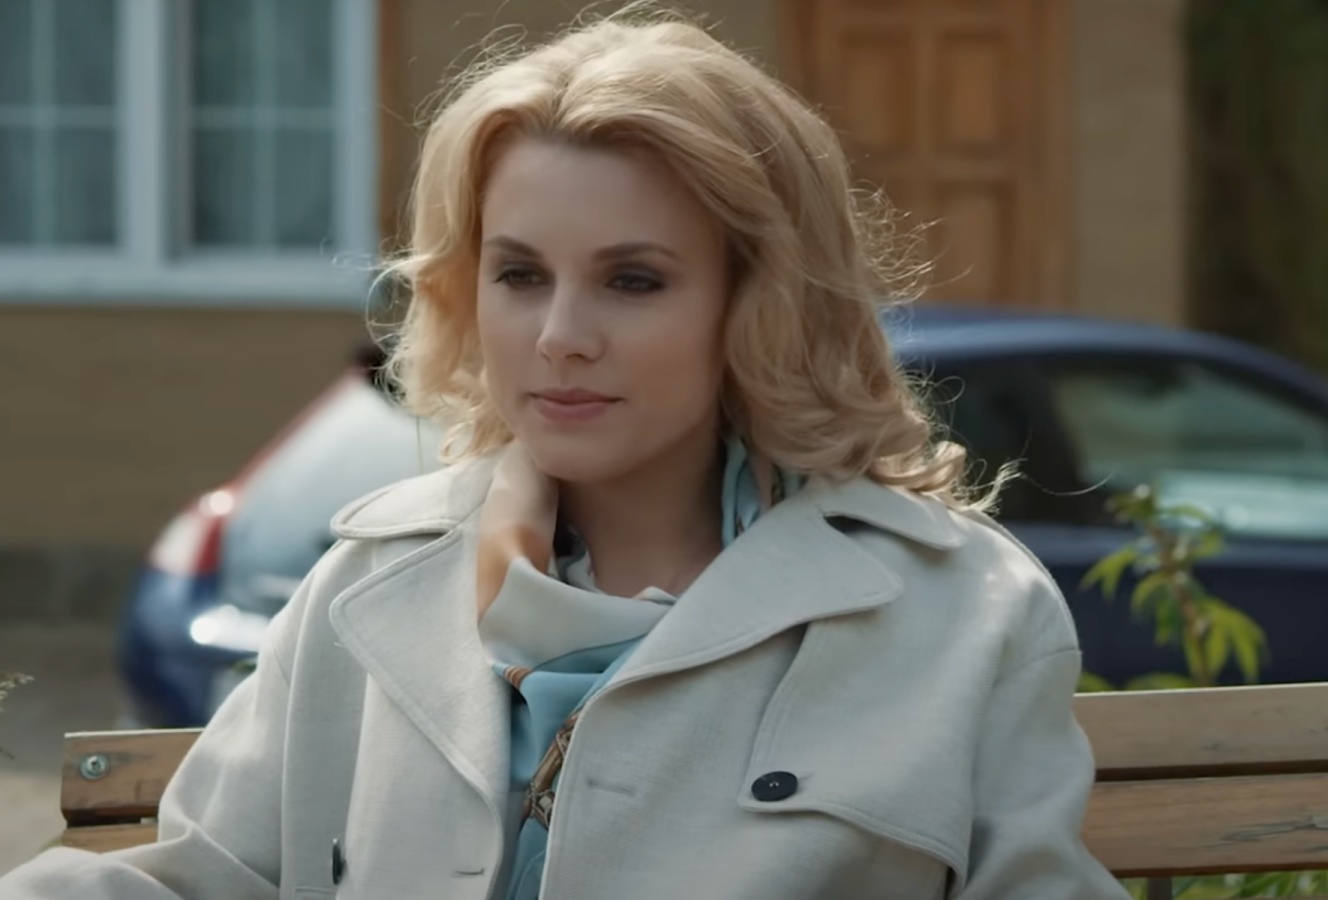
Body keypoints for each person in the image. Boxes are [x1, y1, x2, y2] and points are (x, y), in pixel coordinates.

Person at [0, 8, 1129, 900]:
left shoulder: (961, 612)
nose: (559, 336)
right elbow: (200, 880)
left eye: (632, 280)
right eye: (520, 274)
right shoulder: (369, 581)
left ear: (758, 303)